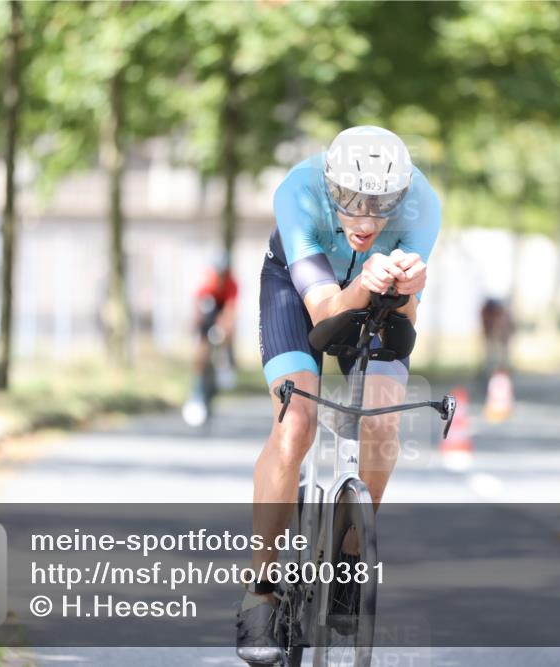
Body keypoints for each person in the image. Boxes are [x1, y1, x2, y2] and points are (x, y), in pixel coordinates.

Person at [236, 126, 440, 663]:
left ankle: (350, 555)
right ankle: (260, 592)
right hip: (299, 290)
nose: (366, 219)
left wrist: (408, 290)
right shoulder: (298, 192)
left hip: (376, 292)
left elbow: (406, 323)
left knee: (383, 420)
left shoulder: (423, 204)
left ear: (402, 194)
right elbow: (326, 314)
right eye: (351, 201)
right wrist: (366, 283)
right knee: (295, 423)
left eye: (383, 205)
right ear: (331, 188)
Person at [182, 254, 238, 427]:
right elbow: (197, 309)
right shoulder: (207, 281)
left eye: (223, 274)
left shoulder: (232, 284)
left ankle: (226, 361)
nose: (220, 277)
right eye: (218, 274)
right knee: (202, 351)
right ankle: (197, 392)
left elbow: (230, 310)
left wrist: (224, 328)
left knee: (228, 330)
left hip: (222, 309)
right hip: (208, 310)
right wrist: (196, 326)